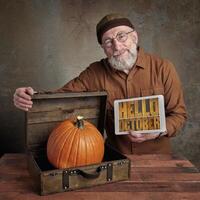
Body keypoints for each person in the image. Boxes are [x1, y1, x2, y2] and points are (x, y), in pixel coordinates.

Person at [13, 13, 187, 154]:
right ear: (103, 48)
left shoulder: (163, 67)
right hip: (114, 156)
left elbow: (178, 115)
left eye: (121, 36)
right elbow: (61, 96)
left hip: (158, 159)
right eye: (108, 42)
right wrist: (31, 96)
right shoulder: (94, 72)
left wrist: (156, 131)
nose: (117, 46)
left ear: (134, 37)